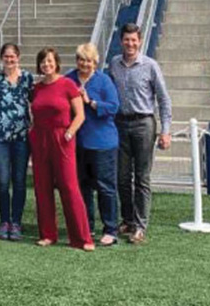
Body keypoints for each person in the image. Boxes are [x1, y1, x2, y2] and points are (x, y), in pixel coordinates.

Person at [108, 23, 172, 245]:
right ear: (121, 41)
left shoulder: (150, 66)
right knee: (122, 177)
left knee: (142, 177)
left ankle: (140, 226)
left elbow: (163, 99)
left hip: (144, 124)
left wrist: (166, 130)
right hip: (120, 124)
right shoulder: (114, 64)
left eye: (134, 40)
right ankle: (127, 220)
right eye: (127, 40)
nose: (130, 44)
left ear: (140, 41)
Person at [29, 47, 94, 251]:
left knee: (69, 186)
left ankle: (82, 238)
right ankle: (48, 234)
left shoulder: (68, 84)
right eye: (42, 62)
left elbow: (80, 115)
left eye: (49, 61)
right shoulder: (36, 88)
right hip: (40, 139)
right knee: (42, 187)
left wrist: (69, 132)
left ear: (56, 63)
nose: (46, 65)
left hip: (62, 138)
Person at [66, 43, 120, 247]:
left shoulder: (104, 81)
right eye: (81, 59)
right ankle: (86, 226)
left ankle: (110, 228)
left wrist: (91, 102)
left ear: (95, 62)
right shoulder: (69, 79)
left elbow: (114, 107)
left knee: (106, 187)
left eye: (88, 60)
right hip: (78, 142)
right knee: (83, 187)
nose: (84, 64)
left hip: (102, 142)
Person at [0, 42, 34, 241]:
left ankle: (16, 222)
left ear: (18, 57)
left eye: (13, 56)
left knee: (20, 181)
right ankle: (4, 220)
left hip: (21, 137)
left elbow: (34, 103)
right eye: (6, 56)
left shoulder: (27, 78)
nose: (9, 60)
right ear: (1, 58)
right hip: (0, 137)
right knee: (3, 181)